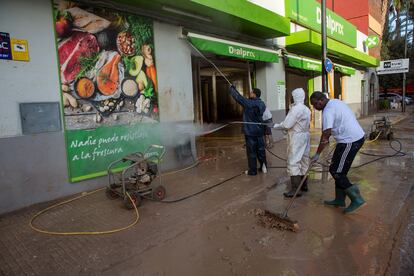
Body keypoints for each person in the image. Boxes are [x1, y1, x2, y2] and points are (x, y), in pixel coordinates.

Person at [310, 91, 366, 214]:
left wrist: (317, 154)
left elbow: (326, 135)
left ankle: (357, 199)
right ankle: (339, 199)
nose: (315, 107)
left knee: (337, 171)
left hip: (350, 140)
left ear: (321, 101)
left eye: (315, 104)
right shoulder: (335, 101)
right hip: (346, 139)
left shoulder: (328, 111)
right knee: (337, 169)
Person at [273, 88, 311, 198]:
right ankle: (304, 185)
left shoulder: (296, 109)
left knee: (293, 161)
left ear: (294, 97)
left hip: (297, 137)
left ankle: (295, 190)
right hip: (305, 135)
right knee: (304, 160)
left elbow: (287, 125)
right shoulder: (306, 108)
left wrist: (275, 126)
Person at [229, 85, 267, 175]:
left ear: (254, 94)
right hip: (260, 131)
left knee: (252, 152)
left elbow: (239, 98)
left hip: (250, 132)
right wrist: (235, 90)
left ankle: (253, 171)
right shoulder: (262, 104)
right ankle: (264, 166)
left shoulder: (249, 103)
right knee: (261, 149)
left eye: (251, 92)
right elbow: (242, 98)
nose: (249, 93)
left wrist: (232, 89)